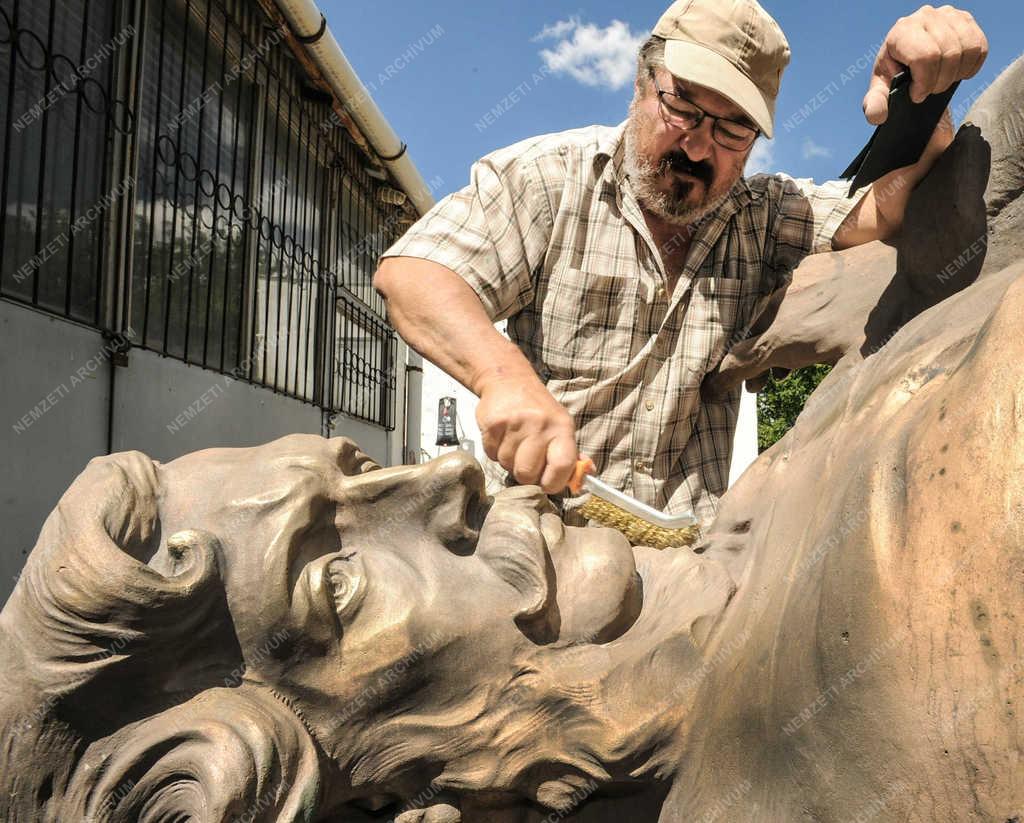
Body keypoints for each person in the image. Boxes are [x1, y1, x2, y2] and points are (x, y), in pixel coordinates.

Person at [373, 1, 988, 525]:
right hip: (542, 544)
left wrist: (924, 98)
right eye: (683, 108)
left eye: (731, 130)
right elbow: (417, 271)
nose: (697, 146)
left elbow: (892, 205)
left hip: (688, 573)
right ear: (642, 85)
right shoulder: (549, 179)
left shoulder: (767, 215)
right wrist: (504, 378)